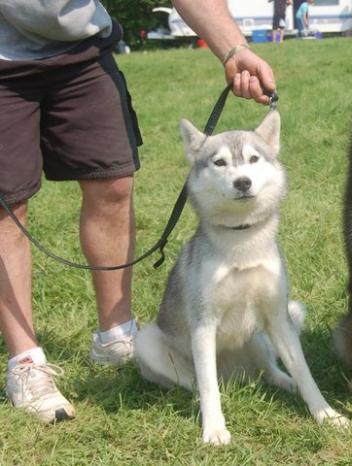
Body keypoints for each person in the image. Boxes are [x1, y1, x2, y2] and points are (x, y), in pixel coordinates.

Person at [0, 0, 276, 423]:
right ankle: (26, 362)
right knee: (6, 205)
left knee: (113, 180)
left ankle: (115, 336)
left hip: (81, 50)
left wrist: (234, 49)